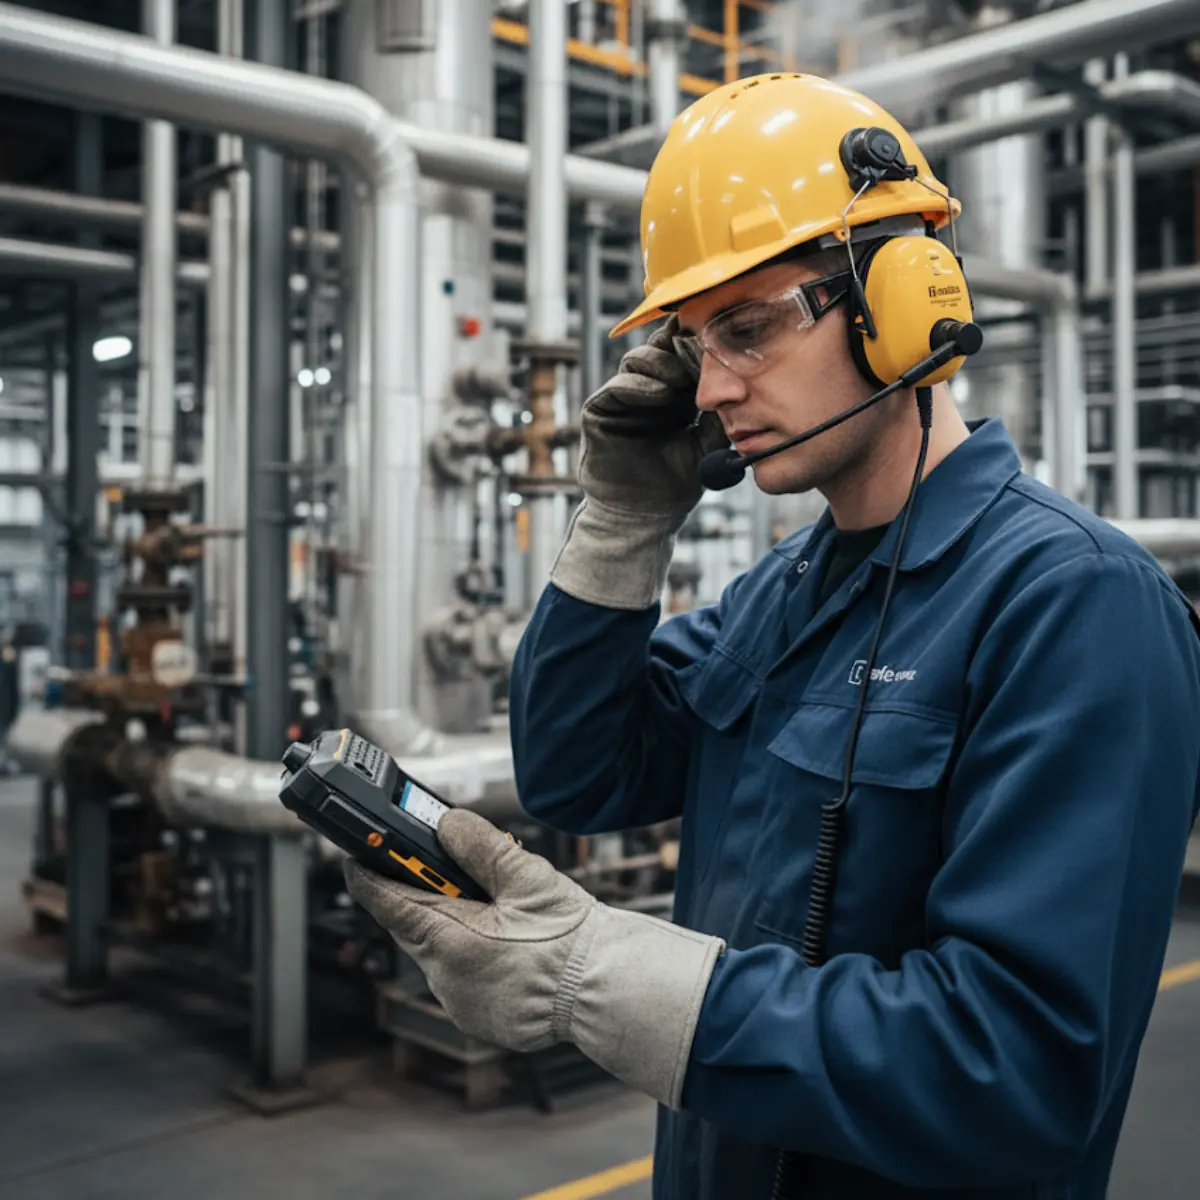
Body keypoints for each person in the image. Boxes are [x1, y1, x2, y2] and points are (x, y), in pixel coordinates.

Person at [345, 74, 1200, 1198]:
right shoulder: (788, 590)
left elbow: (1020, 1070)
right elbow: (574, 770)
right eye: (696, 345)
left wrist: (602, 978)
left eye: (746, 329)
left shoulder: (1075, 606)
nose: (712, 391)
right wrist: (620, 524)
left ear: (902, 302)